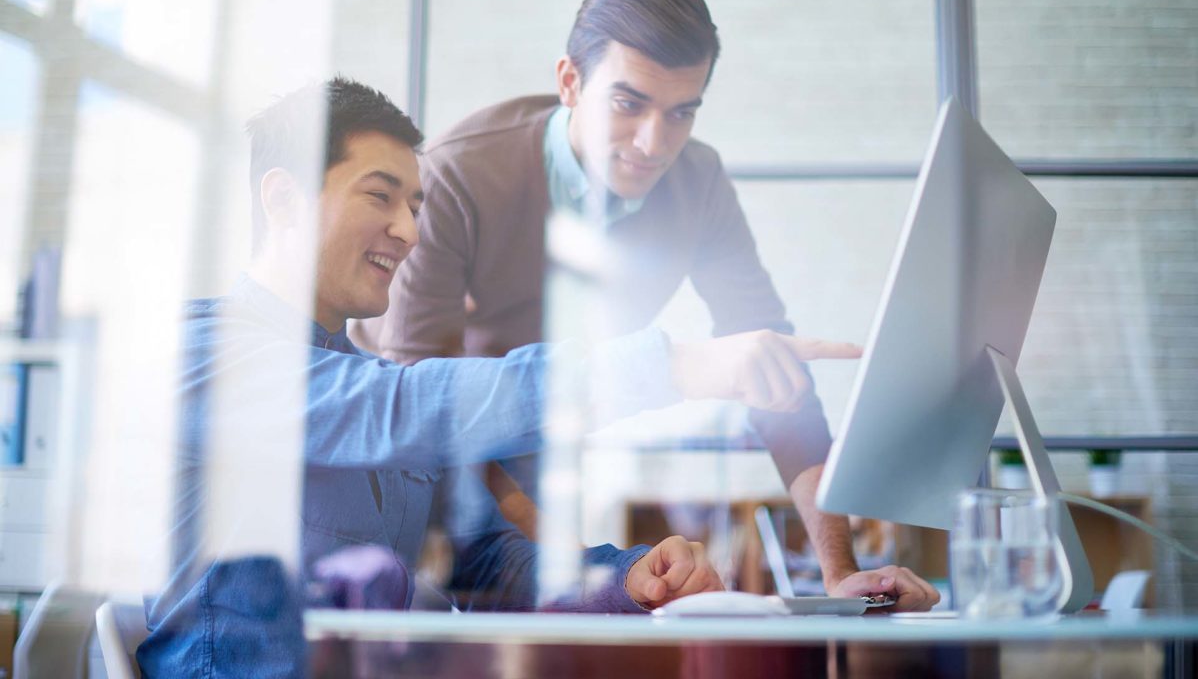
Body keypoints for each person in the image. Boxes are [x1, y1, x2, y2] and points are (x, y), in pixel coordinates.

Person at [137, 77, 867, 678]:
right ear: (286, 199)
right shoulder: (206, 354)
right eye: (379, 196)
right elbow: (402, 406)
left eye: (415, 206)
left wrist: (633, 576)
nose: (409, 230)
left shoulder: (364, 378)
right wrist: (674, 364)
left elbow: (487, 559)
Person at [354, 0, 941, 611]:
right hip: (406, 447)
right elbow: (421, 398)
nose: (653, 144)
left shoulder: (699, 182)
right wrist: (563, 558)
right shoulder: (457, 174)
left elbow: (777, 378)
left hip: (545, 439)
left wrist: (840, 572)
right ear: (570, 82)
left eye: (681, 112)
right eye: (628, 104)